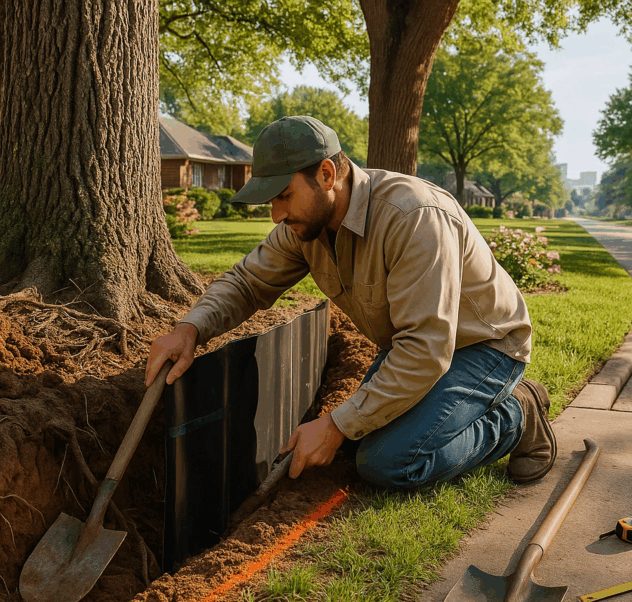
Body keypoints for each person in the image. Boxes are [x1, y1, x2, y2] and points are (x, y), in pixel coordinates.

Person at [145, 115, 556, 488]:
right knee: (361, 440)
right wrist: (190, 328)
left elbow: (427, 350)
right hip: (415, 348)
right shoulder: (306, 226)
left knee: (389, 462)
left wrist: (334, 425)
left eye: (284, 196)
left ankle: (518, 415)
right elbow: (248, 282)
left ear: (327, 174)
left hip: (485, 348)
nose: (275, 215)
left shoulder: (413, 217)